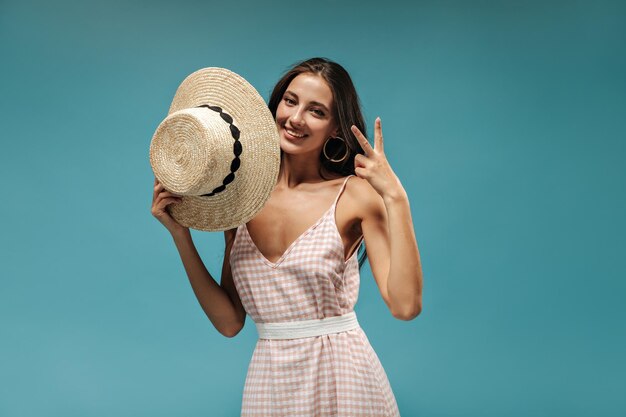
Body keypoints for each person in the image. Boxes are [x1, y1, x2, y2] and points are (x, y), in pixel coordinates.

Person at [151, 57, 423, 416]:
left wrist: (396, 198)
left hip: (342, 376)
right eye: (290, 101)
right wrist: (180, 236)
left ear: (337, 130)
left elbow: (405, 306)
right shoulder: (240, 201)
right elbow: (230, 322)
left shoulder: (354, 195)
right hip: (270, 383)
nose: (295, 119)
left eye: (316, 111)